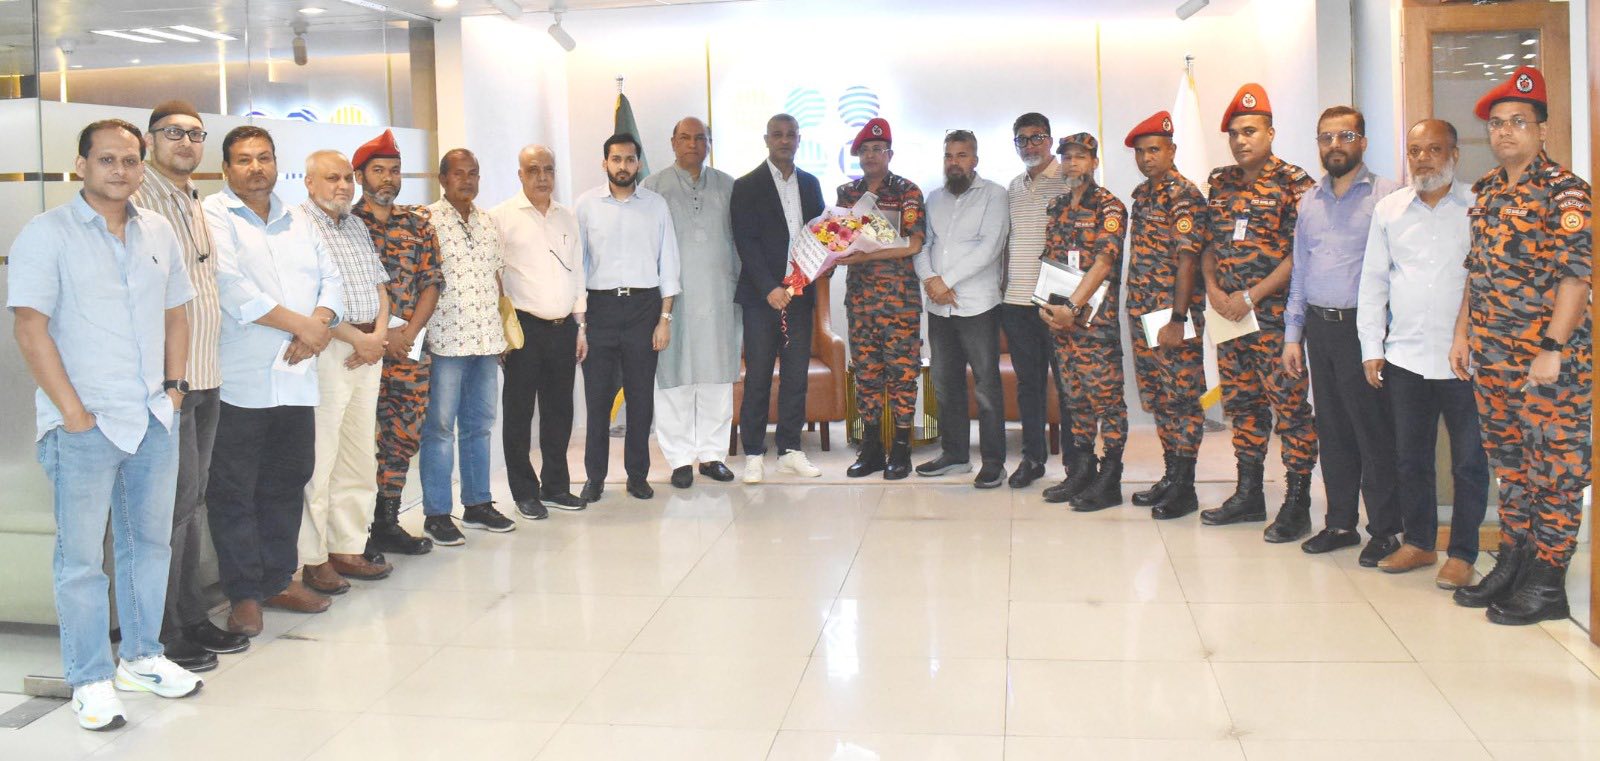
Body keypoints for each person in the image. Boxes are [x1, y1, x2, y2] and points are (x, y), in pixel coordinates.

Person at [9, 119, 203, 731]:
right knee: (81, 560)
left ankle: (142, 658)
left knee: (149, 544)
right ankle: (89, 677)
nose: (120, 170)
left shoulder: (158, 231)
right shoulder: (47, 234)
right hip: (83, 425)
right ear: (81, 165)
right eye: (107, 160)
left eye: (130, 160)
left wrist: (174, 389)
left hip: (152, 416)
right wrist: (72, 412)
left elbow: (176, 311)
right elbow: (30, 327)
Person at [1448, 66, 1592, 626]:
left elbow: (1576, 277)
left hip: (1546, 363)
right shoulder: (1487, 191)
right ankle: (1514, 561)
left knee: (1554, 469)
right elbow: (1476, 271)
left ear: (1542, 130)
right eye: (1497, 123)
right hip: (1493, 358)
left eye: (1518, 121)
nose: (1505, 131)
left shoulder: (1565, 191)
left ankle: (1549, 582)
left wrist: (1553, 346)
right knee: (1510, 467)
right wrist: (1462, 333)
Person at [204, 125, 344, 635]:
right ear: (226, 168)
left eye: (264, 157)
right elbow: (229, 287)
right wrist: (304, 326)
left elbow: (332, 279)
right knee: (234, 492)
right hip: (240, 382)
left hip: (297, 377)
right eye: (244, 159)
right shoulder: (213, 215)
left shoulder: (299, 219)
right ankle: (244, 594)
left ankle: (278, 580)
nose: (256, 168)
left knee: (287, 481)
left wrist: (319, 323)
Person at [130, 100, 248, 670]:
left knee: (189, 504)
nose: (185, 142)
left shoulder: (192, 198)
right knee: (164, 509)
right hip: (167, 382)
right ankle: (158, 628)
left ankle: (189, 613)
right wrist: (167, 382)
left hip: (205, 375)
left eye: (195, 134)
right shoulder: (138, 199)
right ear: (150, 140)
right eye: (173, 132)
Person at [1357, 118, 1488, 590]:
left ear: (1454, 155)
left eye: (1434, 149)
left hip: (1464, 361)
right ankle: (1419, 542)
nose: (1423, 159)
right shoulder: (1389, 209)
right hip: (1405, 356)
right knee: (1410, 458)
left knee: (1468, 462)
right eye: (1415, 151)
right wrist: (1371, 348)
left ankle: (1463, 553)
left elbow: (1486, 281)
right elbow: (1373, 282)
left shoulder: (1478, 207)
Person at [1280, 107, 1404, 561]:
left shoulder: (1389, 196)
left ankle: (1386, 531)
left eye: (1345, 136)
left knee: (1373, 432)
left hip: (1365, 333)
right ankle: (1339, 524)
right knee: (1332, 430)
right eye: (1326, 137)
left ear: (1363, 142)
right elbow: (1301, 270)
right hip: (1320, 328)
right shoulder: (1308, 201)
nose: (1335, 145)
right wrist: (1293, 333)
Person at [1197, 84, 1319, 532]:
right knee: (1243, 405)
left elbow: (1299, 254)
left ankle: (1297, 503)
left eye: (1249, 131)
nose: (1240, 140)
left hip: (1274, 320)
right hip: (1228, 316)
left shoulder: (1295, 183)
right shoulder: (1220, 182)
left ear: (1270, 132)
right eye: (1234, 133)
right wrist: (1212, 288)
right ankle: (1248, 494)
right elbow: (1209, 244)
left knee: (1290, 409)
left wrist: (1252, 296)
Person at [295, 150, 394, 592]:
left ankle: (347, 546)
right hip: (330, 350)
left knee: (358, 455)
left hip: (368, 351)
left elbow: (380, 286)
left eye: (347, 179)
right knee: (321, 459)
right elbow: (309, 299)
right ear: (309, 182)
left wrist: (378, 335)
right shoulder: (299, 226)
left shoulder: (354, 224)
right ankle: (313, 559)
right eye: (331, 178)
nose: (342, 186)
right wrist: (358, 339)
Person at [575, 133, 682, 502]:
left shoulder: (656, 206)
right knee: (597, 400)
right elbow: (578, 267)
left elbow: (668, 263)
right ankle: (595, 478)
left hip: (643, 309)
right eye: (616, 159)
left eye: (630, 159)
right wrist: (581, 325)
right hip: (599, 309)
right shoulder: (585, 206)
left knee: (640, 398)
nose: (623, 166)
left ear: (639, 163)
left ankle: (638, 475)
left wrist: (664, 318)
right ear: (604, 162)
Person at [419, 148, 514, 544]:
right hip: (445, 342)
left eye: (473, 173)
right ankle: (437, 513)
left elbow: (497, 280)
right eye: (458, 173)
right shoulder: (425, 221)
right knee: (440, 429)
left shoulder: (489, 222)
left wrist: (504, 333)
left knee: (480, 426)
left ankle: (477, 504)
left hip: (486, 341)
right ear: (443, 179)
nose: (467, 180)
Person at [641, 117, 741, 489]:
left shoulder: (729, 186)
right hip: (672, 302)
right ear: (673, 142)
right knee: (673, 380)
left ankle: (713, 456)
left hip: (720, 296)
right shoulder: (653, 187)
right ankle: (680, 460)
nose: (693, 144)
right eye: (685, 137)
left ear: (709, 143)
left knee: (716, 379)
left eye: (700, 138)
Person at [351, 129, 438, 557]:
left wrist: (409, 333)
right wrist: (382, 337)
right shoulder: (347, 225)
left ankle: (387, 521)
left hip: (409, 350)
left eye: (395, 170)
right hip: (360, 350)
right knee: (357, 441)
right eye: (379, 170)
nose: (388, 178)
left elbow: (432, 283)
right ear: (360, 176)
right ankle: (355, 533)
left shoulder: (418, 224)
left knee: (402, 437)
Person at [491, 144, 588, 519]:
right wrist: (500, 331)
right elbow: (494, 276)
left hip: (564, 328)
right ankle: (524, 492)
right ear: (520, 174)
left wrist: (581, 326)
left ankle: (556, 486)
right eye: (533, 170)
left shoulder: (567, 217)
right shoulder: (501, 217)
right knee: (518, 414)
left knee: (559, 412)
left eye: (548, 169)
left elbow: (577, 272)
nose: (542, 177)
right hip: (524, 329)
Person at [730, 113, 827, 483]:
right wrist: (768, 288)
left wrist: (823, 265)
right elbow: (745, 242)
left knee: (795, 375)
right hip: (761, 299)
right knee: (757, 376)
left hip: (799, 296)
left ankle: (790, 449)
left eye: (790, 135)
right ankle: (754, 453)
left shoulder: (810, 184)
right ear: (766, 139)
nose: (784, 140)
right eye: (777, 135)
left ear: (799, 139)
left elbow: (821, 236)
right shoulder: (746, 186)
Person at [1036, 133, 1129, 511]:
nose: (1072, 163)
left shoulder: (1109, 207)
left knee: (1107, 401)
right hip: (1062, 323)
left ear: (1094, 162)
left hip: (1093, 323)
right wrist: (1047, 305)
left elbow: (1104, 262)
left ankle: (1111, 478)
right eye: (1067, 157)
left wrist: (1072, 308)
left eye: (1080, 157)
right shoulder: (1057, 206)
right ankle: (1083, 471)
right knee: (1076, 399)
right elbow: (1052, 260)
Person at [1122, 111, 1207, 520]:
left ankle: (1185, 488)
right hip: (1143, 312)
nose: (1146, 158)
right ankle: (1171, 475)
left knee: (1182, 400)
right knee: (1159, 398)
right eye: (1141, 152)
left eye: (1154, 150)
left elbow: (1188, 260)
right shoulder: (1142, 195)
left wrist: (1178, 318)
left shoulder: (1184, 195)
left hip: (1171, 315)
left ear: (1171, 150)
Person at [913, 129, 1009, 488]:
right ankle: (954, 455)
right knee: (945, 383)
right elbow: (923, 245)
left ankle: (994, 462)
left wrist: (946, 281)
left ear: (975, 160)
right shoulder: (934, 198)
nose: (954, 162)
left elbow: (990, 247)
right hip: (939, 309)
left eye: (962, 155)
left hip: (978, 306)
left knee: (986, 385)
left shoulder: (994, 195)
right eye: (949, 156)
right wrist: (930, 281)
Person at [836, 118, 926, 480]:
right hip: (860, 302)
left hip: (899, 302)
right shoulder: (847, 194)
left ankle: (901, 449)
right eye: (865, 150)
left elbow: (913, 244)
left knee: (902, 375)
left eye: (878, 149)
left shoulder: (907, 192)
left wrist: (865, 255)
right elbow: (838, 241)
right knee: (867, 375)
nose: (871, 155)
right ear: (857, 156)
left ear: (889, 154)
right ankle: (871, 448)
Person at [1002, 112, 1077, 488]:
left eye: (1037, 137)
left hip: (1056, 303)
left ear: (1050, 140)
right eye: (1022, 139)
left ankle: (1076, 466)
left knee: (1068, 385)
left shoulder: (1068, 180)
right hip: (1016, 302)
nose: (1030, 145)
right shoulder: (1013, 187)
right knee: (1028, 385)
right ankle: (1032, 459)